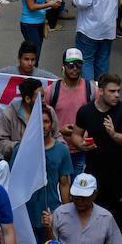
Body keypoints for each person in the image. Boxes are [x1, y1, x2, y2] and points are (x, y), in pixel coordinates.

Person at [14, 104, 72, 244]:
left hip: (51, 214)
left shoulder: (61, 150)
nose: (43, 125)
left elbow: (64, 183)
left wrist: (65, 213)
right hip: (27, 218)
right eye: (40, 122)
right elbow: (15, 183)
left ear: (52, 124)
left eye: (46, 121)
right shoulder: (21, 150)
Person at [71, 73, 122, 231]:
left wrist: (113, 134)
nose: (117, 95)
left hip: (117, 177)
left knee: (116, 224)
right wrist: (81, 145)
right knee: (92, 221)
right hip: (93, 176)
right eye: (112, 91)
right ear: (101, 91)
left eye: (118, 91)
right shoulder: (86, 111)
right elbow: (76, 135)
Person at [42, 172, 122, 244]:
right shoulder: (60, 213)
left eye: (84, 198)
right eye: (76, 197)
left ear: (95, 194)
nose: (80, 201)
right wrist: (48, 229)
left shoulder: (106, 218)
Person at [45, 48, 92, 176]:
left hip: (82, 151)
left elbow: (98, 117)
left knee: (79, 192)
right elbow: (42, 121)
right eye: (71, 64)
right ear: (63, 67)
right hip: (58, 149)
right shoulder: (52, 91)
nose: (75, 68)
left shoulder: (92, 90)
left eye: (78, 64)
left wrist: (89, 132)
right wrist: (60, 130)